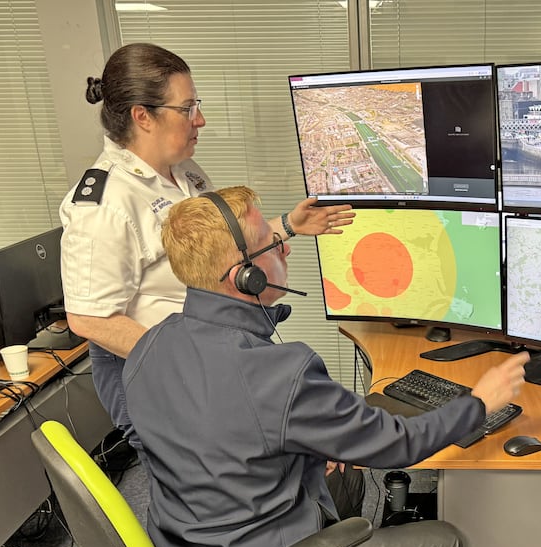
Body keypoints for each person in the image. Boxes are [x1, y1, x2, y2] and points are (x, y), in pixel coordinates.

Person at [122, 185, 530, 547]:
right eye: (272, 242)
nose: (285, 247)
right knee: (447, 542)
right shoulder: (280, 373)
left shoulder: (149, 345)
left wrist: (306, 442)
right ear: (245, 277)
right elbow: (400, 443)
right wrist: (479, 403)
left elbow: (190, 440)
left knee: (349, 475)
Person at [58, 43, 355, 458]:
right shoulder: (104, 204)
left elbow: (222, 251)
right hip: (161, 371)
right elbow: (89, 317)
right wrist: (192, 364)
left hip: (212, 353)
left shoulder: (185, 173)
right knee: (215, 480)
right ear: (143, 116)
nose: (200, 119)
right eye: (187, 108)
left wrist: (288, 225)